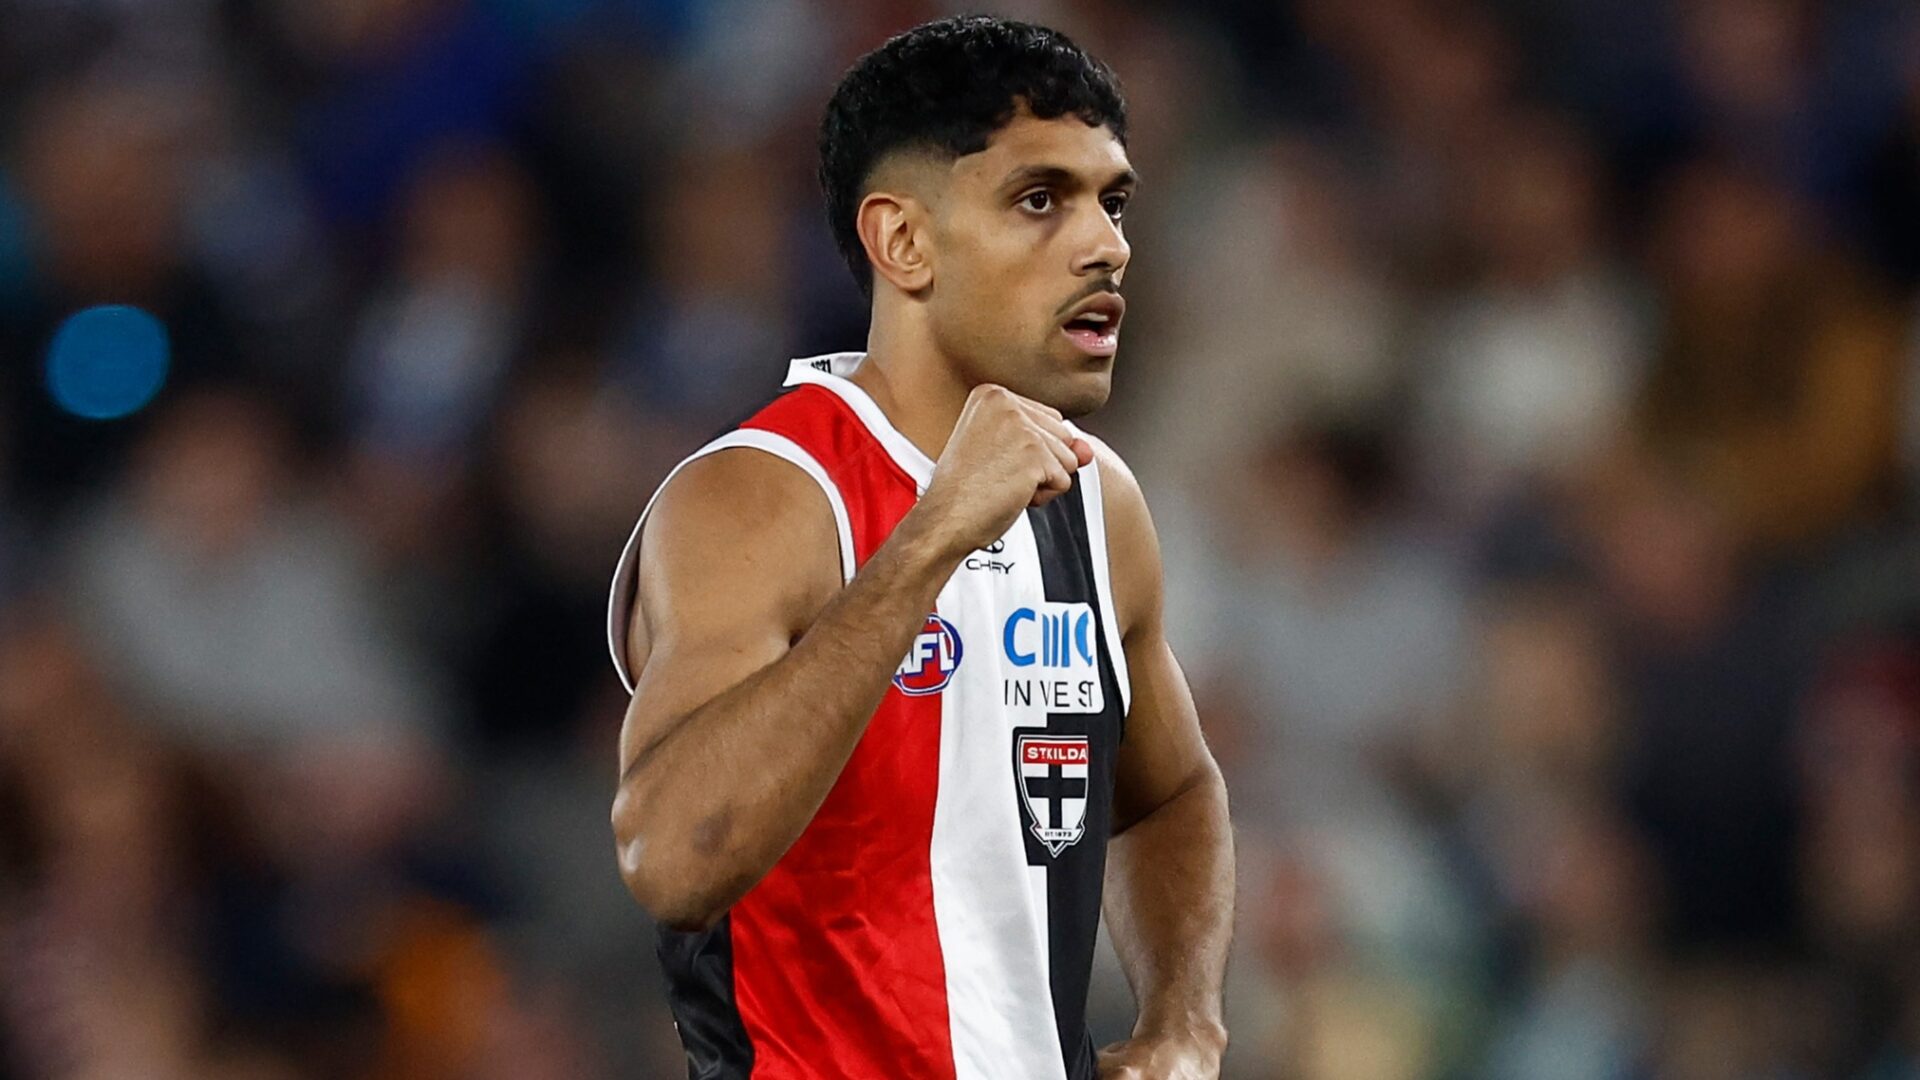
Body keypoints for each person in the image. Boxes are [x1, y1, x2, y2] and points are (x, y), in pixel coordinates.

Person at [607, 16, 1233, 1079]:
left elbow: (1171, 795)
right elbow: (673, 860)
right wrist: (934, 532)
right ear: (902, 242)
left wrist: (1183, 1022)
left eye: (1113, 201)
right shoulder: (760, 494)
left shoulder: (1097, 501)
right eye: (1040, 199)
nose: (1107, 244)